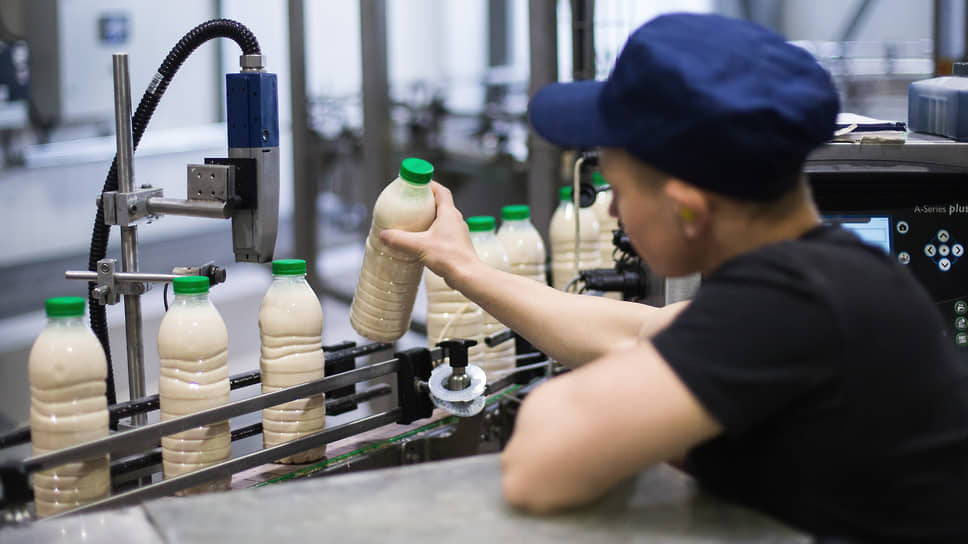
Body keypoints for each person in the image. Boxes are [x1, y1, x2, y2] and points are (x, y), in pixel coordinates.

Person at [381, 13, 968, 543]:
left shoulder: (792, 304)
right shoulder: (825, 271)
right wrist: (466, 269)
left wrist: (629, 415)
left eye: (619, 189)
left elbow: (540, 466)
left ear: (687, 209)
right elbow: (636, 332)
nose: (613, 211)